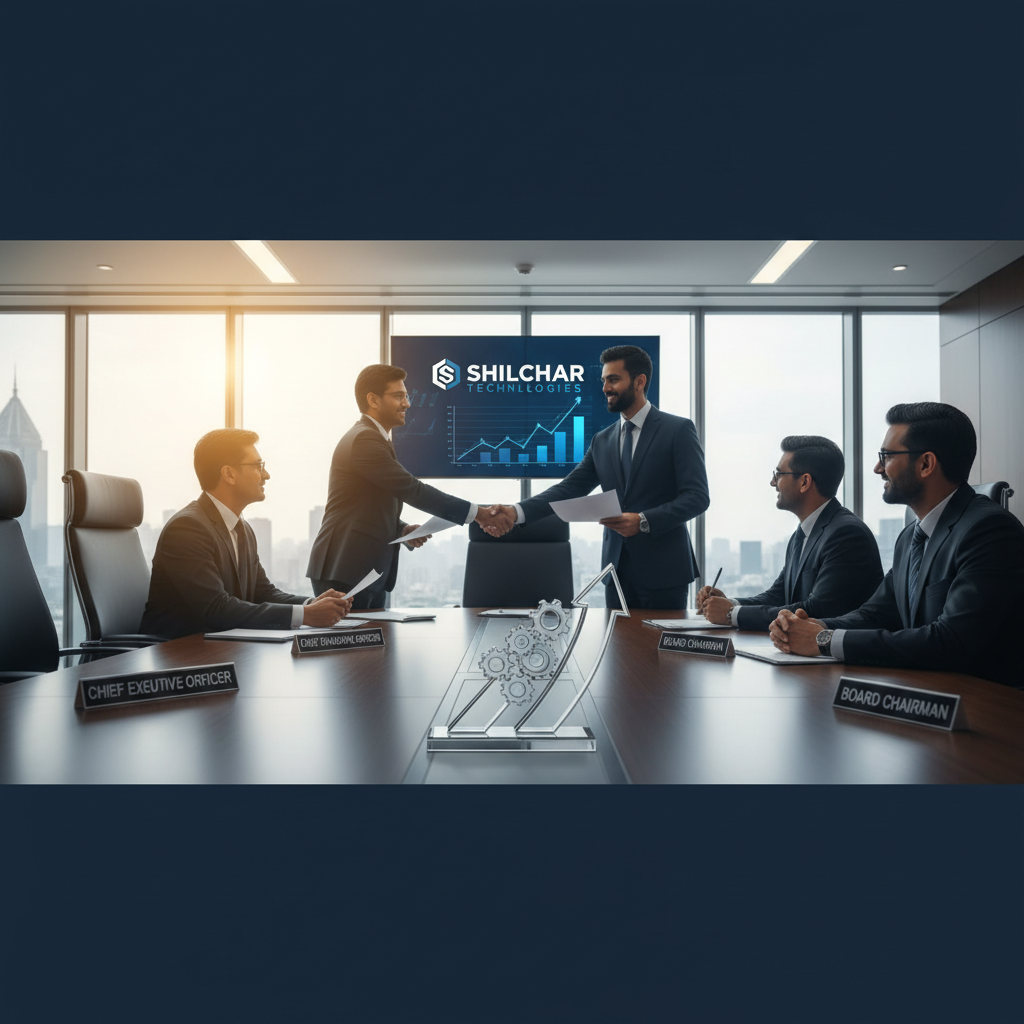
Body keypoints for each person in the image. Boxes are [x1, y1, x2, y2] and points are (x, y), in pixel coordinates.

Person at [769, 402, 1024, 687]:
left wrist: (824, 640)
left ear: (926, 464)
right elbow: (875, 614)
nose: (878, 468)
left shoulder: (990, 531)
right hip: (924, 693)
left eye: (887, 456)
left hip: (985, 702)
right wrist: (816, 626)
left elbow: (950, 641)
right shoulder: (910, 537)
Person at [488, 345, 709, 609]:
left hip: (664, 572)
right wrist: (516, 512)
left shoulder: (677, 430)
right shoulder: (602, 440)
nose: (605, 388)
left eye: (613, 379)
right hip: (615, 573)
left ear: (639, 382)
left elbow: (697, 497)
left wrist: (643, 520)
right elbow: (569, 488)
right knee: (616, 638)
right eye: (604, 380)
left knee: (659, 639)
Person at [307, 364, 510, 609]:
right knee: (355, 635)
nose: (407, 403)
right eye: (398, 396)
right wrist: (478, 513)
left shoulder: (373, 437)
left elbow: (365, 505)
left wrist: (401, 529)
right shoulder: (364, 439)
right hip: (346, 567)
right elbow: (412, 490)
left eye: (406, 396)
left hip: (362, 569)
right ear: (373, 400)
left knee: (371, 634)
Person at [140, 429, 353, 639]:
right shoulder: (187, 528)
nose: (266, 475)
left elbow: (263, 593)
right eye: (258, 466)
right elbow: (215, 608)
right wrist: (305, 615)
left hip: (222, 647)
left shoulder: (242, 529)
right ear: (229, 474)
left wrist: (311, 604)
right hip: (179, 651)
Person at [696, 435, 882, 630]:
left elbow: (818, 610)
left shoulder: (847, 535)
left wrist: (730, 614)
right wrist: (730, 604)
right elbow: (778, 595)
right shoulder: (801, 535)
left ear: (804, 482)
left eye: (778, 474)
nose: (772, 482)